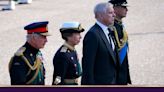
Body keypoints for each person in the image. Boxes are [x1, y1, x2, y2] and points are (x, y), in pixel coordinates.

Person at [81, 2, 120, 85]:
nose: (114, 15)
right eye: (110, 13)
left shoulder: (109, 31)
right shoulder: (93, 34)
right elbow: (88, 65)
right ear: (100, 15)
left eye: (114, 12)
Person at [109, 0, 131, 84]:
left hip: (123, 73)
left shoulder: (120, 26)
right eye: (124, 7)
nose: (127, 10)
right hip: (116, 75)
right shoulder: (111, 28)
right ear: (115, 8)